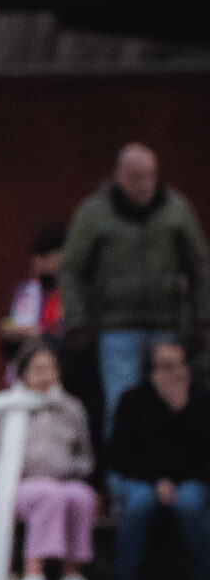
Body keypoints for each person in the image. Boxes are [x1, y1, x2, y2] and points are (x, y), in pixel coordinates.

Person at [60, 143, 209, 440]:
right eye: (136, 177)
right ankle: (120, 467)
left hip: (168, 326)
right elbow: (71, 269)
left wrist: (204, 317)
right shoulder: (94, 213)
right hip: (116, 328)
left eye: (150, 176)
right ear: (120, 175)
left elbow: (200, 266)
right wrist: (77, 320)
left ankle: (168, 466)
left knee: (170, 403)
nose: (145, 185)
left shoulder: (176, 209)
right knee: (121, 403)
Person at [0, 343, 99, 580]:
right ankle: (33, 576)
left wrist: (68, 468)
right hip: (15, 487)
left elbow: (85, 458)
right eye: (38, 369)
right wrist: (7, 473)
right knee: (47, 494)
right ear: (23, 373)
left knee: (80, 496)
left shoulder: (70, 408)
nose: (46, 376)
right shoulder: (0, 407)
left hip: (61, 482)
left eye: (51, 369)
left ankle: (72, 577)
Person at [107, 338, 210, 580]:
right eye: (166, 366)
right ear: (151, 371)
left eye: (180, 365)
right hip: (143, 479)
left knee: (190, 504)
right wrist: (156, 480)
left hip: (190, 480)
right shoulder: (133, 399)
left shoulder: (201, 399)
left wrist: (181, 411)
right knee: (138, 504)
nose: (176, 373)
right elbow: (118, 455)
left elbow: (204, 456)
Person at [0, 224, 68, 371]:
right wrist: (9, 332)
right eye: (35, 255)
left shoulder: (72, 293)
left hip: (61, 370)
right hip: (24, 370)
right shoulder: (25, 290)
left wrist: (41, 335)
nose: (37, 261)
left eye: (45, 254)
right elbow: (9, 325)